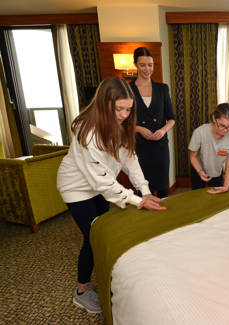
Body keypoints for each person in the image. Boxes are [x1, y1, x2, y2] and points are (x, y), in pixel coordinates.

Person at [57, 77, 165, 314]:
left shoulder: (121, 123)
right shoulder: (87, 131)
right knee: (94, 236)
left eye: (128, 109)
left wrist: (145, 191)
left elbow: (130, 160)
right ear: (105, 103)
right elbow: (103, 182)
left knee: (105, 231)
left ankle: (106, 277)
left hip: (98, 185)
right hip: (77, 188)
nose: (124, 115)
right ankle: (81, 290)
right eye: (119, 109)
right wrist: (138, 200)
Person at [131, 47, 175, 198]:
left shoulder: (162, 88)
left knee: (163, 188)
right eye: (142, 65)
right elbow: (121, 121)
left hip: (160, 146)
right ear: (135, 64)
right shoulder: (127, 89)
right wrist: (139, 129)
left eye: (150, 64)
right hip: (140, 146)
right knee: (142, 188)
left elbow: (172, 118)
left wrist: (163, 131)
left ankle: (164, 218)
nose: (147, 69)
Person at [188, 103, 229, 194]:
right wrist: (200, 171)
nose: (226, 130)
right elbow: (193, 157)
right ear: (214, 118)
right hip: (199, 168)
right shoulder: (199, 133)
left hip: (217, 171)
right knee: (198, 195)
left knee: (216, 197)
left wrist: (226, 187)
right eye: (222, 125)